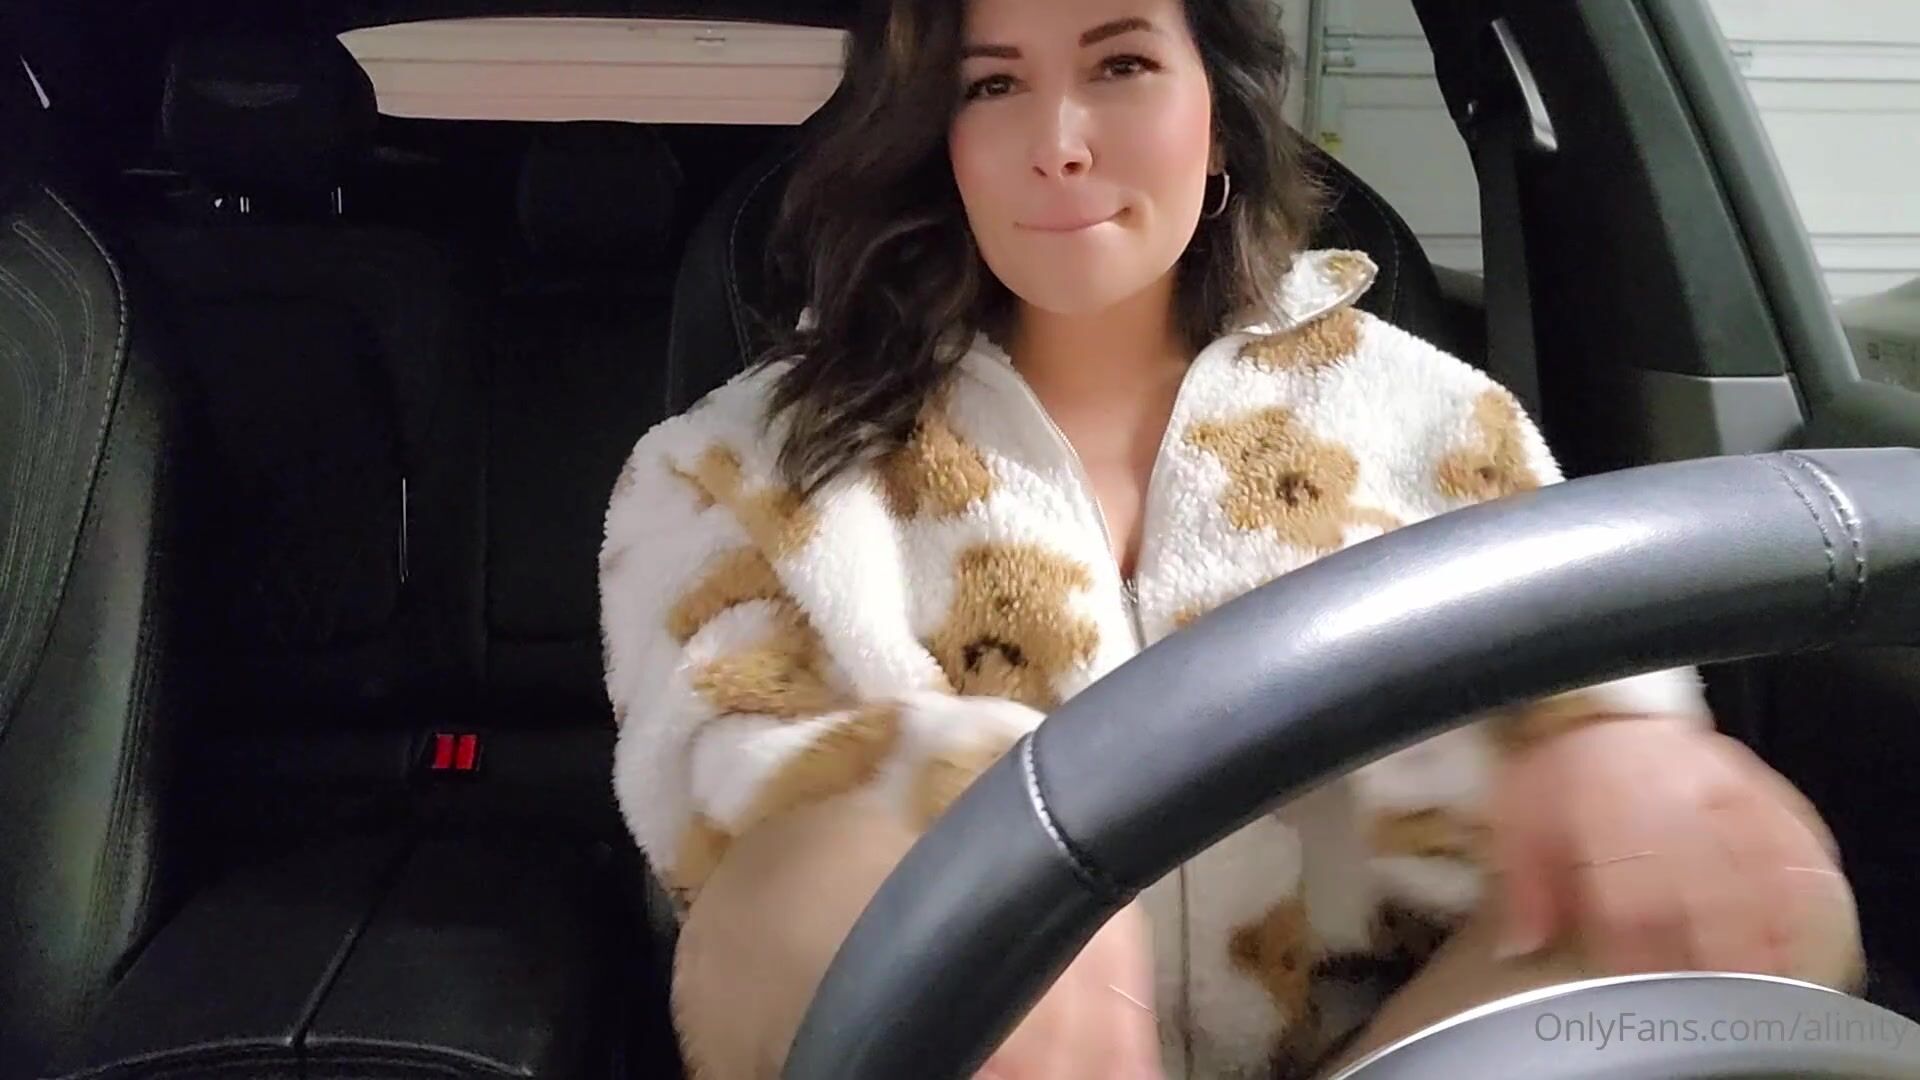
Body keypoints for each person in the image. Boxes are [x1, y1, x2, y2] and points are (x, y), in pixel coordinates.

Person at [598, 1, 1864, 1076]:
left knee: (1747, 881)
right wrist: (1003, 852)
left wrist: (1601, 744)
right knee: (845, 883)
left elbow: (1574, 668)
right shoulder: (747, 459)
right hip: (962, 1032)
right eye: (993, 85)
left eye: (1121, 64)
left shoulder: (1430, 416)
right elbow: (717, 786)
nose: (1059, 144)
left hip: (1386, 1039)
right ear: (945, 143)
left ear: (1219, 114)